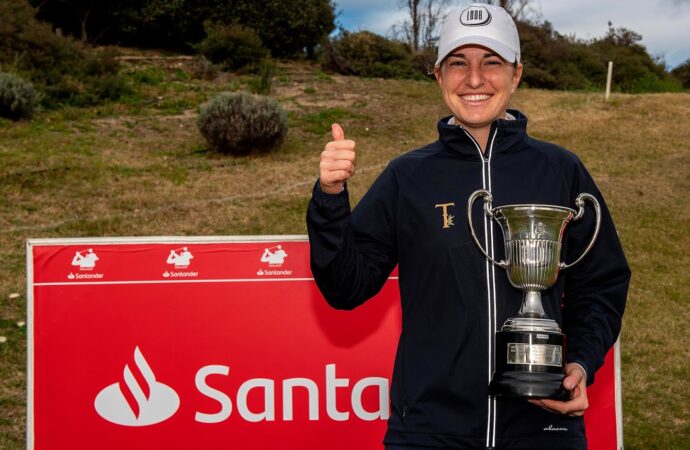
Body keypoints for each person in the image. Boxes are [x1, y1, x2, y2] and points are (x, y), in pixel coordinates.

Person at [306, 3, 630, 449]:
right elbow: (346, 287)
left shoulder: (560, 170)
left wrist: (579, 364)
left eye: (491, 62)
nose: (474, 79)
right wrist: (329, 198)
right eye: (458, 63)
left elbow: (602, 284)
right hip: (428, 431)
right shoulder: (407, 177)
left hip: (542, 428)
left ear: (517, 74)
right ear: (438, 76)